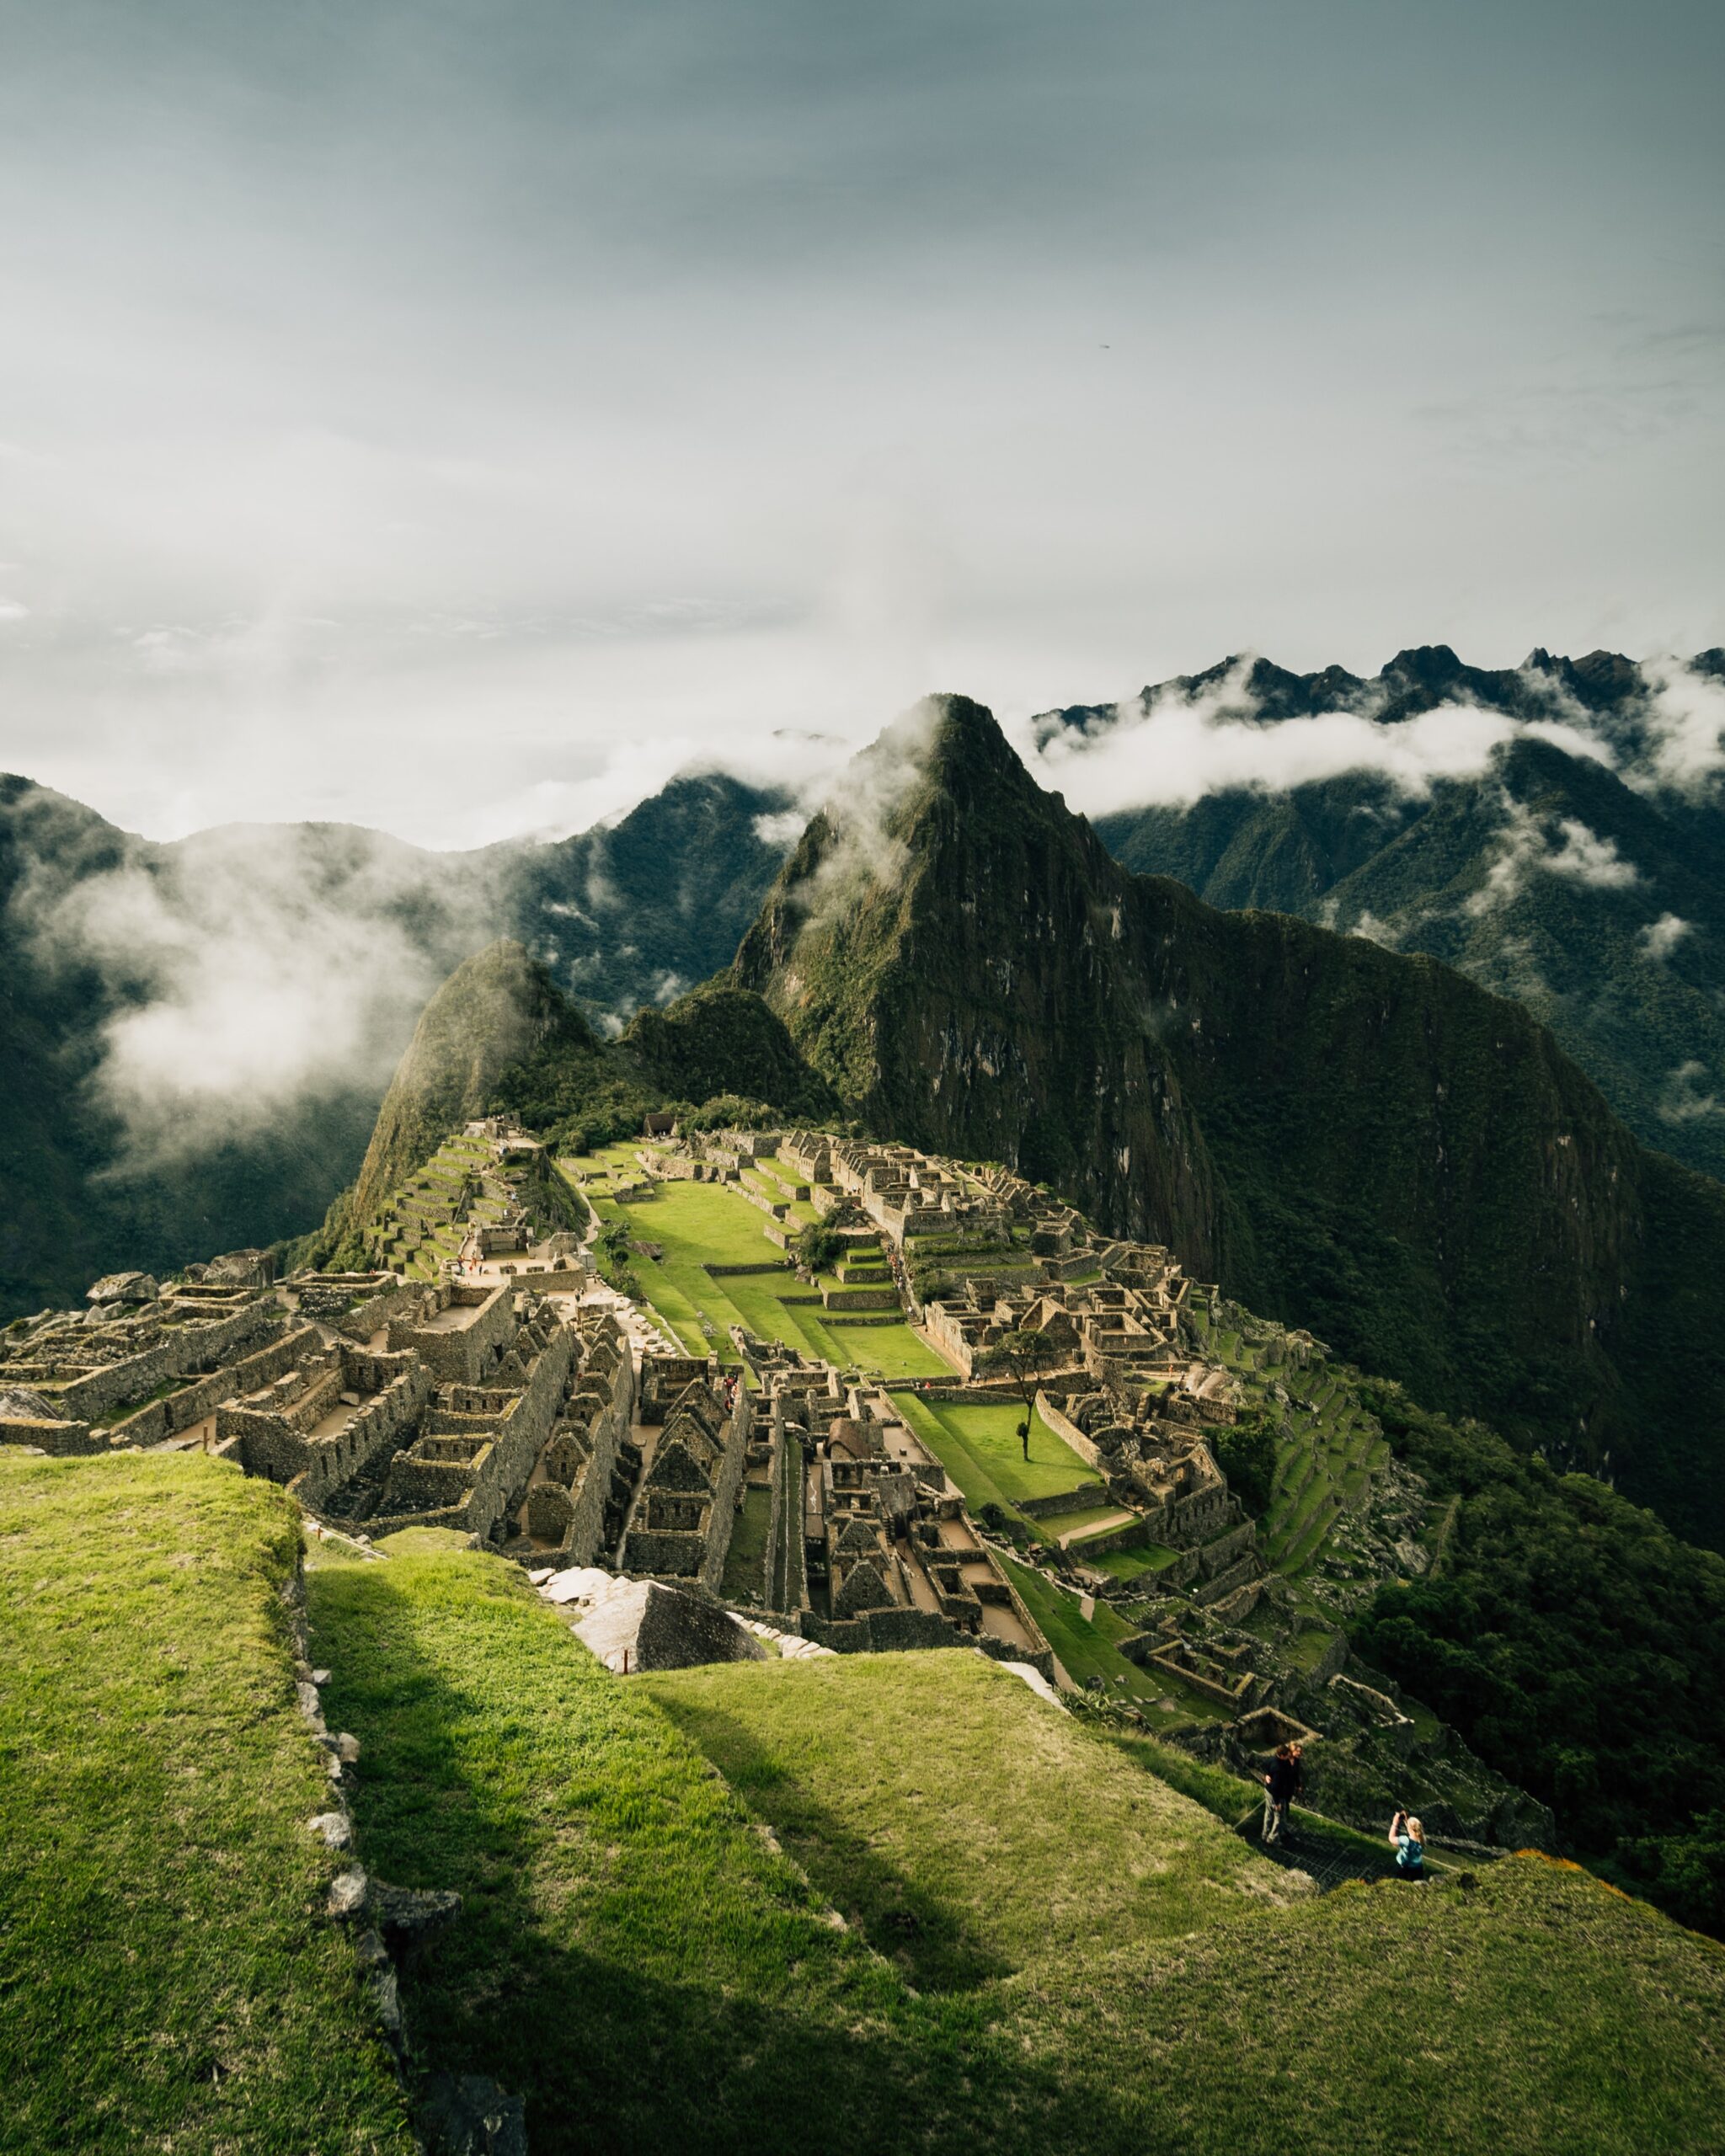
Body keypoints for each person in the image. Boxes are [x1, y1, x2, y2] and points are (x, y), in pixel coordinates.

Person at [1263, 1743, 1299, 1844]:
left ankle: (1264, 1834)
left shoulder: (1274, 1760)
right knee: (1279, 1817)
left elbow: (1265, 1764)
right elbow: (1275, 1788)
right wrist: (1277, 1803)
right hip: (1276, 1794)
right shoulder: (1278, 1769)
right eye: (1287, 1755)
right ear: (1282, 1756)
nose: (1289, 1757)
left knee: (1269, 1814)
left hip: (1269, 1791)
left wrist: (1266, 1774)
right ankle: (1272, 1839)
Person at [1389, 1809, 1426, 1880]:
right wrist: (1406, 1820)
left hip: (1404, 1869)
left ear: (1408, 1828)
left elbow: (1391, 1838)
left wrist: (1395, 1823)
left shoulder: (1406, 1840)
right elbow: (1413, 1828)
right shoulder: (1423, 1839)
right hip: (1418, 1869)